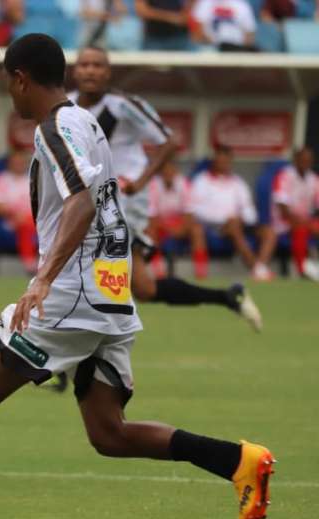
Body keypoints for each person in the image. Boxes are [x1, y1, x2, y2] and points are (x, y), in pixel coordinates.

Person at [0, 34, 275, 519]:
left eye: (9, 84)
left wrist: (44, 278)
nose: (11, 95)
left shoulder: (54, 128)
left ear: (19, 79)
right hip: (110, 295)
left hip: (73, 294)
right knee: (109, 433)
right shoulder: (85, 121)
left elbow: (84, 202)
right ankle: (238, 460)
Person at [71, 46, 261, 332]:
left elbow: (168, 141)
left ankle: (66, 362)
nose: (90, 70)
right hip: (91, 199)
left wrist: (142, 181)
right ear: (74, 70)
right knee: (143, 288)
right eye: (84, 65)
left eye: (97, 65)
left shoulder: (124, 105)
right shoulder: (68, 106)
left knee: (88, 275)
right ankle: (227, 296)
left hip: (124, 201)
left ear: (108, 72)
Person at [190, 145, 277, 282]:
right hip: (214, 227)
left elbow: (249, 209)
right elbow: (196, 210)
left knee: (269, 232)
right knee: (233, 227)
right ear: (215, 161)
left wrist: (242, 218)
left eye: (226, 161)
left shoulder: (238, 182)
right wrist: (224, 218)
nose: (223, 164)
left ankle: (259, 266)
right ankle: (257, 269)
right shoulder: (202, 181)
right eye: (220, 161)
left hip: (240, 224)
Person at [147, 160, 209, 279]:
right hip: (161, 224)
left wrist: (180, 228)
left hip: (181, 224)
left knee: (197, 230)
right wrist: (170, 229)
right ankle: (159, 271)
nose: (168, 174)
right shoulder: (153, 185)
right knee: (150, 230)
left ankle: (201, 272)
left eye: (171, 170)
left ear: (175, 171)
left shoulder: (184, 183)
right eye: (165, 171)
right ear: (160, 173)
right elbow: (152, 217)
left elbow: (189, 214)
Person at [271, 147, 319, 280]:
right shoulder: (284, 176)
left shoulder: (314, 179)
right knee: (301, 228)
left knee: (309, 226)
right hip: (283, 220)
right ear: (295, 160)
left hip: (306, 220)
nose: (305, 163)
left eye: (308, 160)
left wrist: (312, 221)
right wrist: (302, 221)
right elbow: (282, 206)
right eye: (302, 160)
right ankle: (301, 271)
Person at [0, 148, 38, 273]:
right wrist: (15, 213)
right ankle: (30, 264)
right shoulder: (0, 180)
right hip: (9, 221)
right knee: (25, 223)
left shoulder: (33, 179)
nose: (19, 165)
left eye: (22, 162)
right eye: (16, 162)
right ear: (9, 163)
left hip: (36, 218)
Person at [192, 0, 257, 52]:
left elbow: (249, 34)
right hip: (211, 47)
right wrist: (214, 43)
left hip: (237, 49)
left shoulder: (242, 4)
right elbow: (197, 32)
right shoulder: (205, 3)